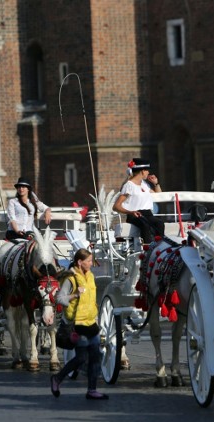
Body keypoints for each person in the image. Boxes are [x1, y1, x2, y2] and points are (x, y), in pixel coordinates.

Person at [50, 248, 108, 400]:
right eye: (88, 261)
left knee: (95, 356)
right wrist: (75, 294)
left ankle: (92, 390)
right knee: (82, 358)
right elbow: (59, 299)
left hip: (90, 323)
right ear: (79, 262)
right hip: (77, 325)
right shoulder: (71, 279)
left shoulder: (90, 276)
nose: (91, 263)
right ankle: (57, 378)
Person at [113, 158, 164, 243]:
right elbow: (116, 206)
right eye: (147, 170)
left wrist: (155, 183)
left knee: (159, 223)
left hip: (148, 214)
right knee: (145, 225)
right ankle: (147, 248)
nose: (148, 172)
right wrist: (131, 212)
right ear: (142, 171)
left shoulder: (144, 184)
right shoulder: (129, 185)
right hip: (135, 215)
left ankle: (159, 246)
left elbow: (158, 194)